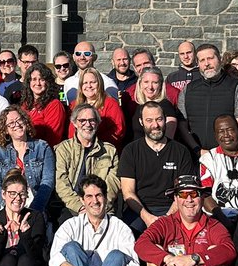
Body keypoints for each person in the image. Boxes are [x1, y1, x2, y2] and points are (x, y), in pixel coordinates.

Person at [119, 103, 197, 233]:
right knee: (128, 235)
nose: (155, 125)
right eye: (149, 120)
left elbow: (184, 190)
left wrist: (166, 218)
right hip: (139, 210)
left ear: (165, 119)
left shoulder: (180, 151)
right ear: (141, 122)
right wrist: (147, 217)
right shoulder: (130, 151)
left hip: (173, 208)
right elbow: (128, 192)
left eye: (159, 119)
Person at [177, 44, 238, 153]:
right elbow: (182, 126)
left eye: (210, 58)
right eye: (202, 60)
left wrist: (219, 152)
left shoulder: (237, 88)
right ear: (198, 64)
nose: (207, 64)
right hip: (195, 156)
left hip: (228, 156)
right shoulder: (188, 90)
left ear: (219, 59)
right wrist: (197, 150)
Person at [55, 104, 120, 218]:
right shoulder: (63, 149)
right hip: (71, 207)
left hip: (102, 207)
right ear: (74, 123)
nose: (87, 124)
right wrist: (80, 206)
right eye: (82, 120)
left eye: (92, 120)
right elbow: (61, 182)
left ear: (98, 123)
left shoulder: (110, 150)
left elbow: (113, 184)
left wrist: (98, 206)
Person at [199, 114, 238, 230]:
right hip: (217, 220)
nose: (226, 136)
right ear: (215, 135)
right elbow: (205, 194)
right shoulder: (208, 159)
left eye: (230, 130)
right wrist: (221, 218)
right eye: (221, 131)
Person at [0, 106, 55, 213]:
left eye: (19, 120)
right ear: (5, 130)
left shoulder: (42, 147)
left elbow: (48, 182)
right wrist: (8, 208)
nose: (17, 125)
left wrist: (35, 209)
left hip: (35, 202)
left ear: (25, 122)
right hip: (6, 204)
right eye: (11, 123)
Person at [69, 67, 126, 147]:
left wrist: (93, 143)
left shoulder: (111, 104)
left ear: (99, 84)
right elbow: (71, 132)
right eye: (85, 83)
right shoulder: (74, 105)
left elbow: (119, 130)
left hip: (104, 150)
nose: (89, 86)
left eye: (93, 82)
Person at [125, 68, 180, 141]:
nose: (150, 87)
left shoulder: (166, 106)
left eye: (155, 82)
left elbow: (167, 141)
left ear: (161, 85)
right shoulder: (137, 106)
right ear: (140, 84)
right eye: (146, 82)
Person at [23, 61, 68, 146]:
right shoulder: (25, 105)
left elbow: (53, 138)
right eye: (34, 79)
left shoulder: (54, 105)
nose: (38, 83)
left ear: (48, 82)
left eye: (42, 79)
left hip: (43, 152)